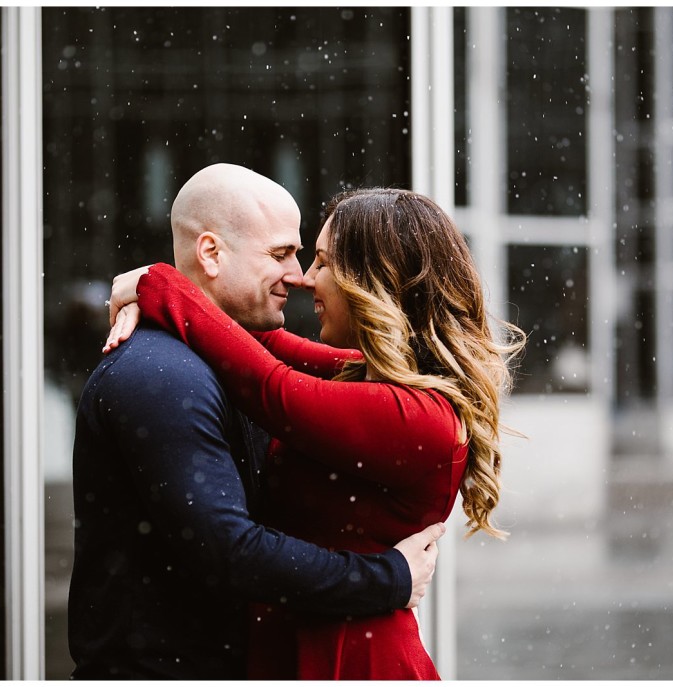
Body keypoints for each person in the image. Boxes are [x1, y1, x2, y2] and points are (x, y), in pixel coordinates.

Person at [106, 186, 525, 679]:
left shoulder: (420, 415)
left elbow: (269, 384)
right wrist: (155, 292)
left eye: (322, 263)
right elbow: (259, 340)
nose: (305, 279)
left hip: (351, 660)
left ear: (373, 282)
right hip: (309, 646)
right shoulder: (366, 374)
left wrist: (159, 284)